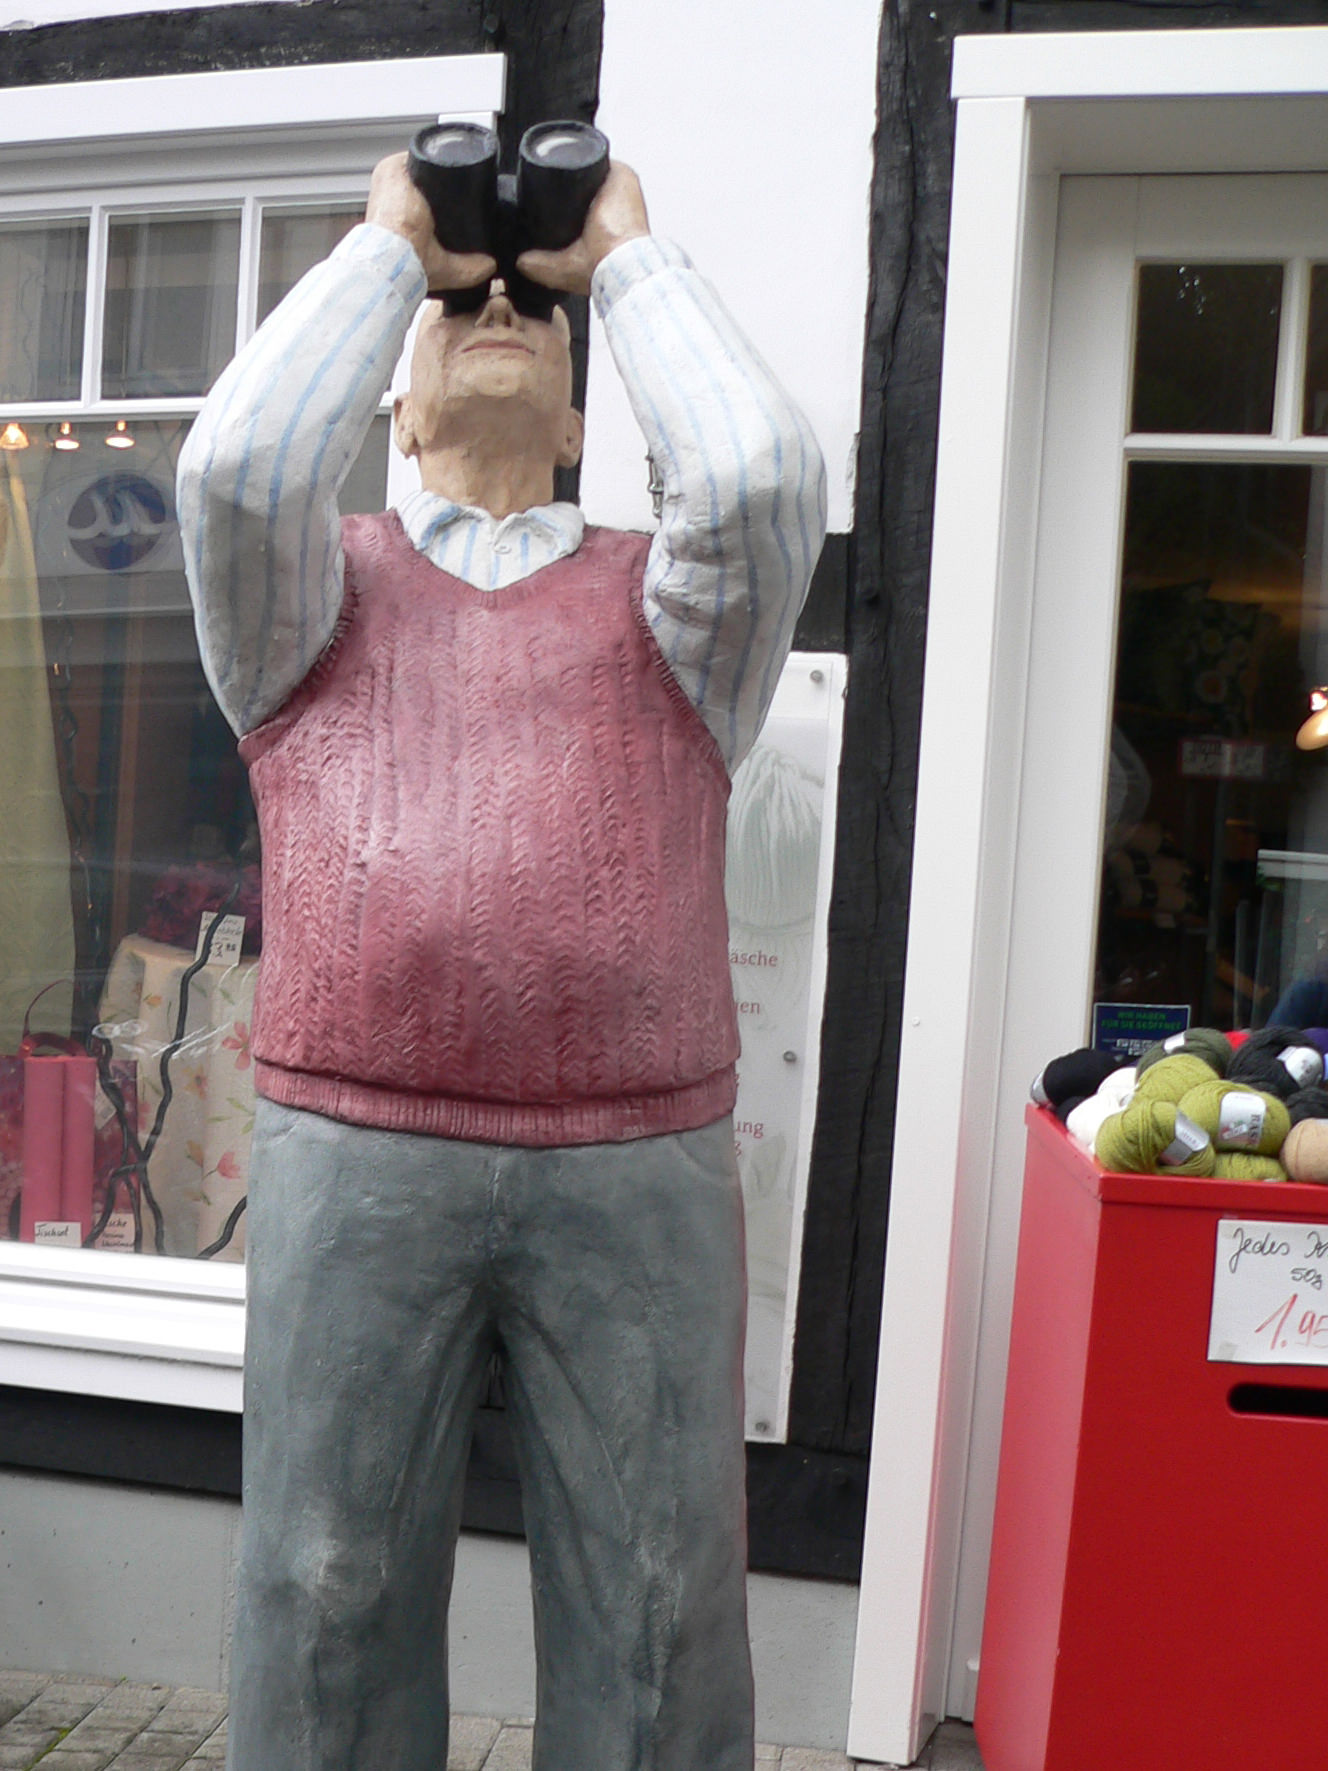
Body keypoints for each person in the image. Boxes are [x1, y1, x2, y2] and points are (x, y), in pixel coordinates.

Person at [178, 148, 825, 1771]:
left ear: (586, 425)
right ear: (394, 415)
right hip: (355, 1148)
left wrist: (625, 262)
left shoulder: (676, 614)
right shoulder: (307, 602)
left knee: (663, 1613)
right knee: (323, 1591)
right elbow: (238, 470)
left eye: (540, 317)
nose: (503, 314)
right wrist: (393, 247)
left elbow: (757, 478)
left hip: (635, 1159)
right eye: (463, 312)